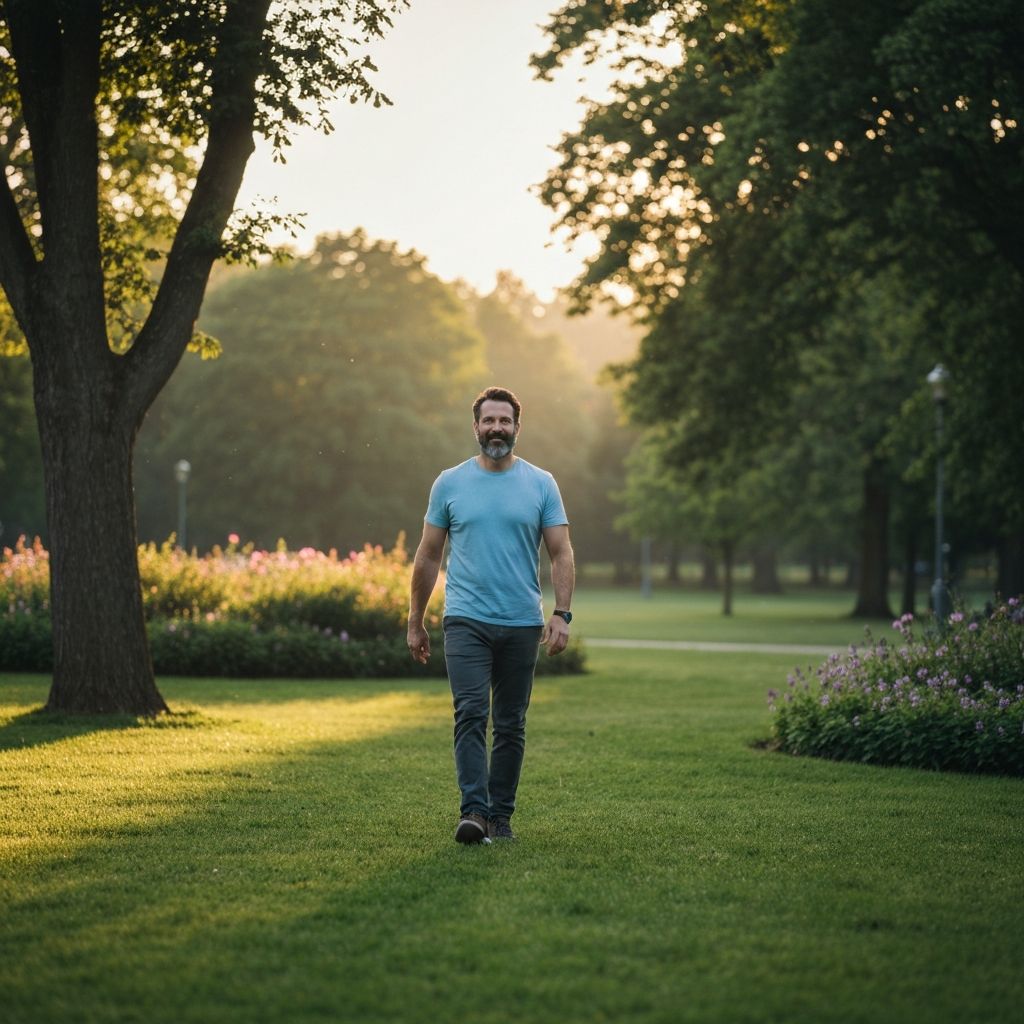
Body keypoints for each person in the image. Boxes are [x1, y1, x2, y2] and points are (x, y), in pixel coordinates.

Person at [407, 386, 575, 844]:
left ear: (517, 428)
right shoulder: (449, 483)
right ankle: (474, 813)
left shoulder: (541, 483)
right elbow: (427, 555)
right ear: (475, 427)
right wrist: (414, 620)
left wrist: (561, 613)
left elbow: (561, 552)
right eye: (489, 421)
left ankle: (500, 818)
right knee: (470, 713)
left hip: (522, 622)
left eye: (505, 421)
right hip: (465, 620)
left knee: (510, 723)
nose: (496, 428)